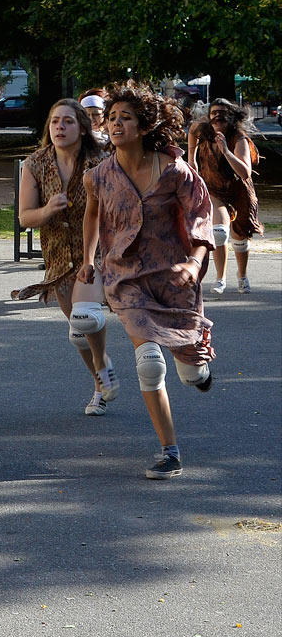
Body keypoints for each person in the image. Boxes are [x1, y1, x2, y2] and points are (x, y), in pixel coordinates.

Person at [79, 83, 215, 480]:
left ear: (143, 126)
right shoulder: (99, 176)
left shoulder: (175, 170)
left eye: (125, 117)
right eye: (112, 117)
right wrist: (89, 259)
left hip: (175, 279)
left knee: (191, 373)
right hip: (125, 278)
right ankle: (169, 451)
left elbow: (201, 220)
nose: (116, 123)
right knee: (150, 364)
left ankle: (199, 366)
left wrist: (194, 261)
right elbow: (91, 215)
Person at [14, 99, 118, 416]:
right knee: (77, 334)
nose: (60, 127)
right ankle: (100, 382)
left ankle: (102, 368)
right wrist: (46, 210)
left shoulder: (101, 160)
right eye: (55, 121)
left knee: (85, 316)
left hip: (98, 252)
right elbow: (25, 218)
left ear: (82, 127)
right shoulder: (35, 163)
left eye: (68, 121)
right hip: (58, 256)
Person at [187, 98, 263, 295]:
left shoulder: (239, 138)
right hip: (214, 188)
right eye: (214, 113)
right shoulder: (203, 129)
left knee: (240, 237)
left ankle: (242, 275)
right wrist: (192, 159)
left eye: (223, 113)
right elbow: (192, 131)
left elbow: (245, 172)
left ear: (232, 117)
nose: (218, 117)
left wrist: (226, 151)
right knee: (219, 232)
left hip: (239, 191)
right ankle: (220, 278)